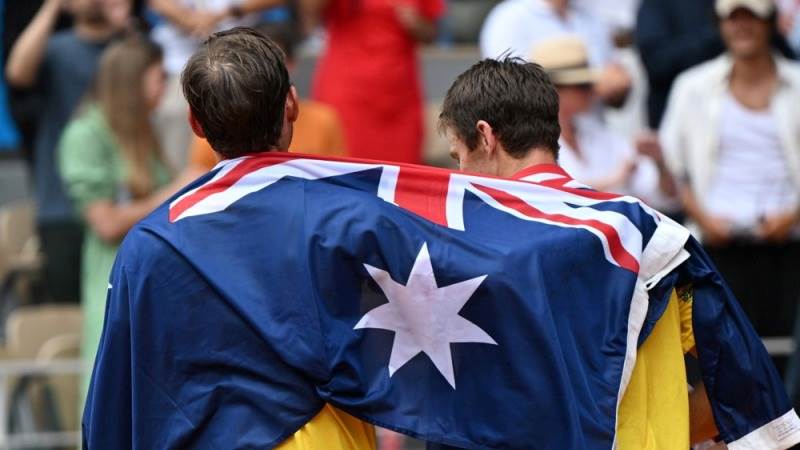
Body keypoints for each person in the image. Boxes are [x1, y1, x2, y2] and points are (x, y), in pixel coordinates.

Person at [83, 29, 798, 450]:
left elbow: (114, 403)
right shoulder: (350, 213)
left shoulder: (150, 245)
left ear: (196, 126)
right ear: (294, 105)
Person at [660, 0, 800, 353]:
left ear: (770, 23)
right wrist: (705, 219)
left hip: (790, 244)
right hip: (715, 244)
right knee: (721, 356)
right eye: (731, 18)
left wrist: (790, 217)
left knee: (787, 356)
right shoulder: (691, 86)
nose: (741, 26)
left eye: (751, 16)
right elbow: (675, 170)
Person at [57, 35, 183, 398]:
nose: (165, 85)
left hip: (154, 280)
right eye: (160, 76)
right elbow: (106, 222)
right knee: (115, 391)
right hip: (114, 281)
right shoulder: (84, 134)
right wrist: (176, 189)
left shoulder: (146, 130)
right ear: (134, 80)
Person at [5, 0, 131, 304]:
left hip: (124, 204)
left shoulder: (129, 51)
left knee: (121, 307)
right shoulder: (57, 49)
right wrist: (53, 6)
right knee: (67, 310)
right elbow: (17, 73)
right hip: (61, 206)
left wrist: (124, 25)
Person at [530, 36, 677, 212]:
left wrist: (658, 163)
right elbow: (548, 198)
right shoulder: (528, 143)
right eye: (582, 85)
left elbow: (666, 198)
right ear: (554, 90)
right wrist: (616, 179)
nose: (592, 91)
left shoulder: (599, 133)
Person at [187, 23, 346, 172]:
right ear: (291, 103)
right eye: (245, 66)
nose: (258, 76)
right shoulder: (354, 200)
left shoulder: (323, 120)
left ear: (197, 123)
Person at [302, 0, 442, 164]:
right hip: (347, 95)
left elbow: (432, 31)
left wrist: (416, 23)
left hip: (399, 99)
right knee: (341, 172)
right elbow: (309, 11)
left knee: (401, 174)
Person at [147, 0, 284, 168]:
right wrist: (190, 20)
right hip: (178, 56)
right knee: (173, 109)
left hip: (245, 51)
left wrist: (225, 13)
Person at [479, 0, 631, 106]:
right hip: (538, 139)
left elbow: (616, 96)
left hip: (593, 138)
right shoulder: (508, 18)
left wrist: (617, 87)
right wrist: (589, 87)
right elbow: (504, 93)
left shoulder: (592, 18)